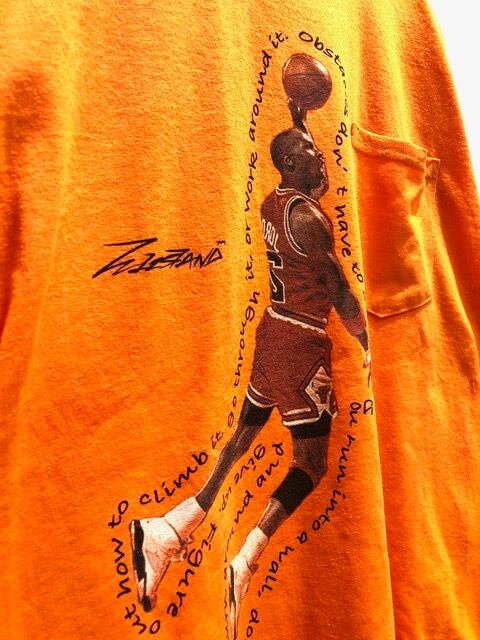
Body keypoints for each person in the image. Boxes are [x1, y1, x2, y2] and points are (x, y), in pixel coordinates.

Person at [129, 100, 371, 638]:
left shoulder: (273, 203)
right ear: (291, 163)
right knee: (311, 463)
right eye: (309, 152)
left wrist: (299, 117)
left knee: (243, 434)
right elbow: (339, 290)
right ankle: (246, 558)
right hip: (303, 341)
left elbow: (302, 167)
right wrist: (364, 341)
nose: (320, 157)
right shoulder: (309, 219)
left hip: (272, 331)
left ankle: (171, 527)